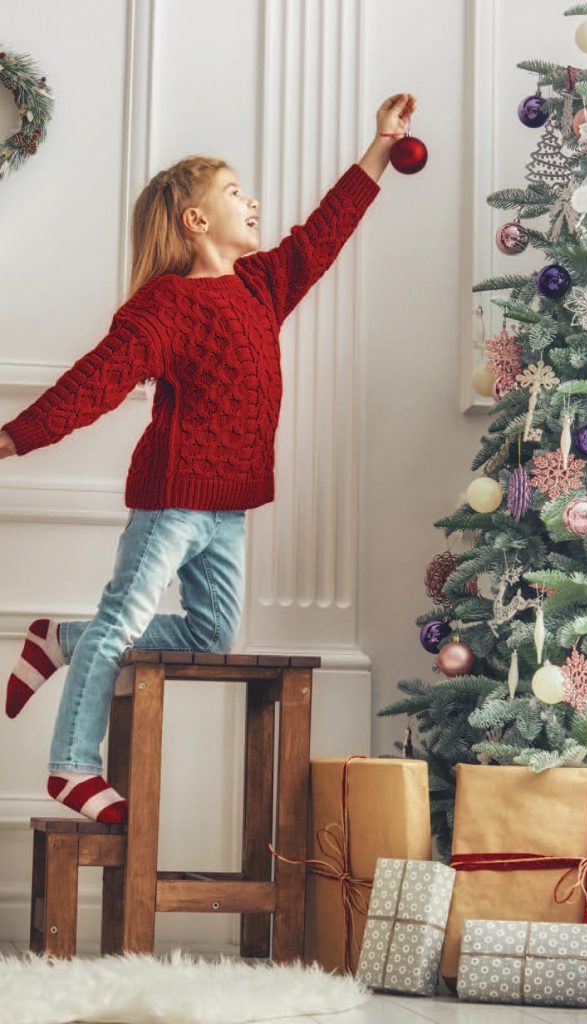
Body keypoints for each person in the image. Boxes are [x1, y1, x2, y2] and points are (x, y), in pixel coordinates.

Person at [0, 92, 417, 824]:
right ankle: (71, 766)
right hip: (172, 501)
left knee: (210, 636)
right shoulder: (164, 306)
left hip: (229, 508)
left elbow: (322, 235)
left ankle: (57, 639)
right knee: (123, 622)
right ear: (196, 221)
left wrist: (379, 148)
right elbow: (94, 383)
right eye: (233, 193)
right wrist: (11, 437)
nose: (251, 200)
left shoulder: (259, 285)